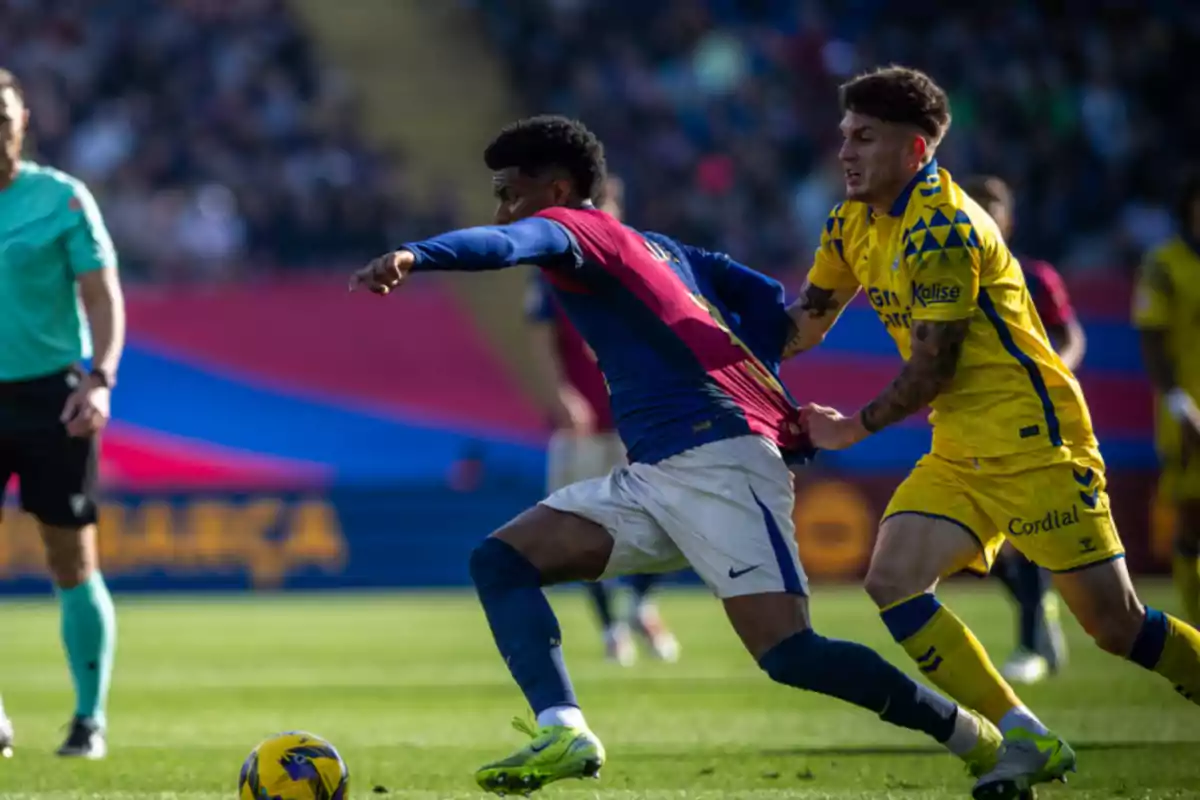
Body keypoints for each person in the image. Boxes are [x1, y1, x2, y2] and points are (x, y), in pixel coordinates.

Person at [352, 115, 1015, 797]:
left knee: (790, 653)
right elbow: (771, 311)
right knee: (500, 560)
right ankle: (565, 727)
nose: (503, 207)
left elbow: (508, 241)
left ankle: (983, 739)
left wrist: (417, 255)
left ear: (557, 188)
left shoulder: (578, 229)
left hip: (721, 460)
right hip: (657, 472)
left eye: (510, 192)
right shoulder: (662, 248)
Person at [787, 65, 1200, 800]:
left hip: (1035, 443)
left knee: (1115, 626)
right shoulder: (850, 221)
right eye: (843, 135)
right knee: (891, 578)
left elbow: (934, 366)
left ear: (916, 151)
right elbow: (804, 326)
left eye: (864, 138)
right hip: (960, 447)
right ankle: (1025, 735)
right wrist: (701, 330)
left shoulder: (946, 225)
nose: (844, 152)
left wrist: (852, 428)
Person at [0, 68, 122, 759]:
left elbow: (103, 298)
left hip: (55, 395)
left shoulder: (60, 199)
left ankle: (88, 719)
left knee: (70, 559)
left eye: (3, 116)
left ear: (21, 124)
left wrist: (100, 379)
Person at [525, 174, 679, 666]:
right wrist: (561, 393)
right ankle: (612, 626)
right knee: (576, 530)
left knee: (673, 519)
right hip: (584, 424)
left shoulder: (642, 262)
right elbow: (541, 340)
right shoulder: (555, 267)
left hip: (638, 418)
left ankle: (640, 602)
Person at [962, 175, 1086, 685]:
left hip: (1033, 420)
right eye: (978, 206)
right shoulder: (954, 276)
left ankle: (1030, 641)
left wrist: (1053, 370)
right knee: (979, 543)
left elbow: (1070, 336)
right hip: (972, 423)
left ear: (1009, 219)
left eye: (995, 207)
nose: (987, 214)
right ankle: (1042, 611)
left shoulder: (1034, 276)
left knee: (1023, 534)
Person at [1133, 168, 1200, 628]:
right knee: (1193, 518)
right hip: (1189, 412)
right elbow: (1153, 340)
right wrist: (1179, 403)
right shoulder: (1165, 264)